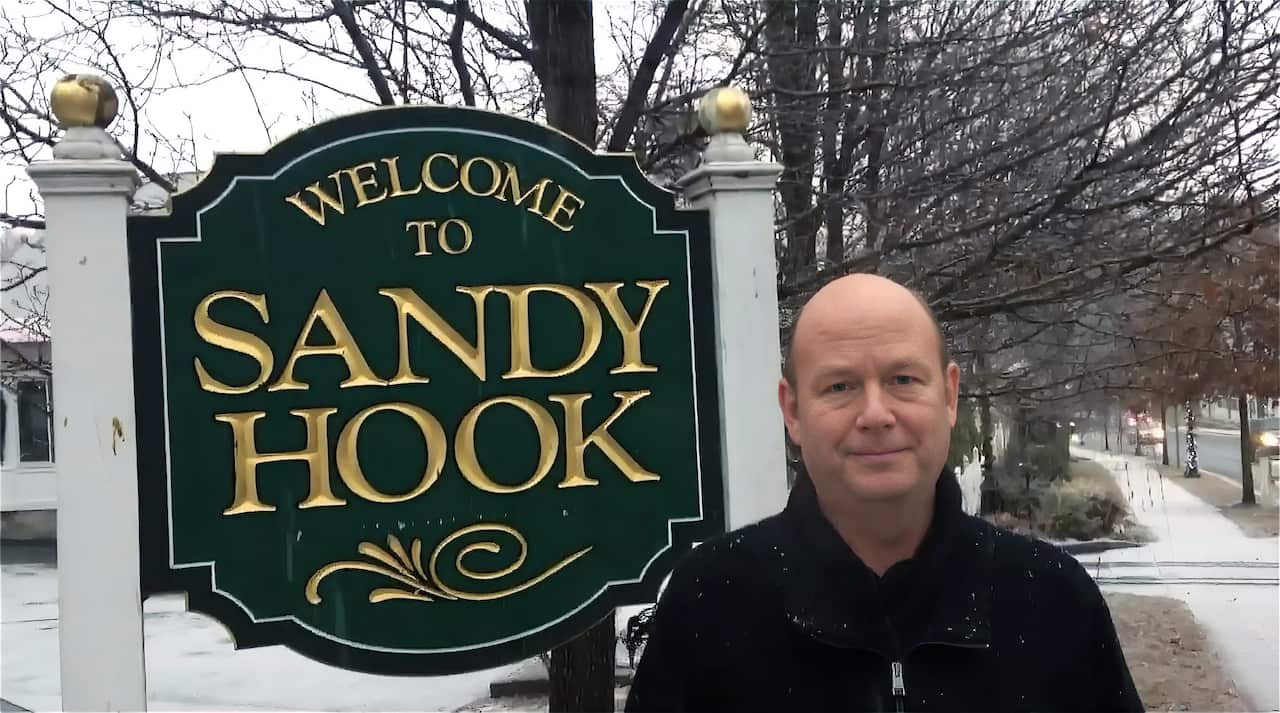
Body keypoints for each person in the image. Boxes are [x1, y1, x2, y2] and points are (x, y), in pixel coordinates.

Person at [625, 274, 1142, 712]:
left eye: (902, 378)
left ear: (950, 394)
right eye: (839, 387)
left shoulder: (1054, 602)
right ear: (793, 412)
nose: (875, 415)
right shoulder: (711, 604)